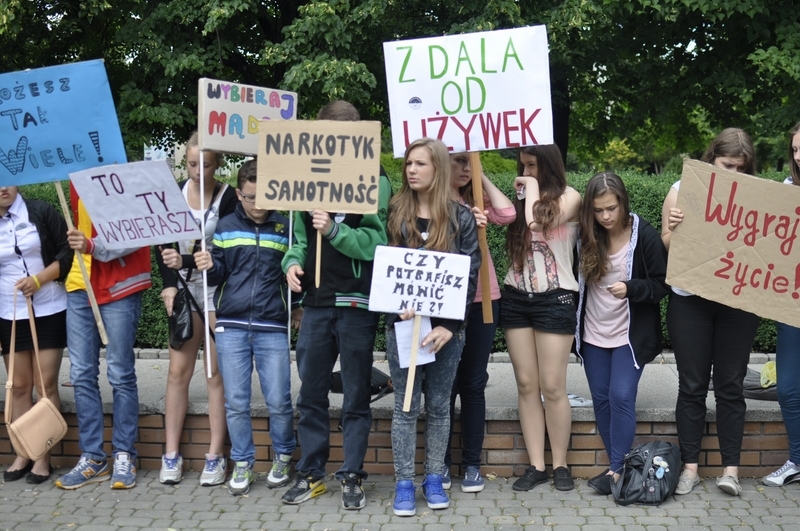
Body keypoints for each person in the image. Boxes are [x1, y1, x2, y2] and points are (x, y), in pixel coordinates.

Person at [281, 100, 392, 510]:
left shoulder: (375, 177)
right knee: (310, 393)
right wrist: (292, 264)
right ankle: (311, 472)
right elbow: (298, 240)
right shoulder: (305, 176)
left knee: (356, 395)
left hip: (357, 303)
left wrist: (334, 231)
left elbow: (377, 242)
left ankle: (352, 476)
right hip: (314, 303)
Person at [662, 127, 760, 496]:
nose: (734, 173)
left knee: (731, 385)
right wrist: (674, 229)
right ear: (712, 158)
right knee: (691, 385)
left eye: (741, 168)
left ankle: (730, 470)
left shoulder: (757, 199)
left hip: (737, 302)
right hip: (691, 302)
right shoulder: (680, 190)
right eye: (727, 165)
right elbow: (667, 245)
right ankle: (689, 468)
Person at [386, 138, 480, 516]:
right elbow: (386, 269)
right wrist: (398, 307)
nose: (411, 170)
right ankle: (404, 483)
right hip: (404, 326)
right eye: (409, 163)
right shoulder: (395, 212)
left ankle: (434, 478)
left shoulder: (461, 219)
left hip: (446, 332)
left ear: (438, 169)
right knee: (406, 406)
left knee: (440, 406)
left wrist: (450, 326)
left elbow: (469, 275)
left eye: (420, 164)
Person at [194, 159, 298, 496]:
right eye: (251, 197)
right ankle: (242, 461)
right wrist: (209, 264)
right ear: (239, 194)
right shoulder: (224, 226)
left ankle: (283, 456)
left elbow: (295, 272)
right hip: (231, 324)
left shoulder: (285, 226)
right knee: (236, 401)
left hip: (272, 323)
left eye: (265, 195)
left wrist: (296, 306)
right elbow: (219, 274)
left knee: (279, 400)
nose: (258, 203)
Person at [575, 173, 668, 495]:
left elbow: (662, 284)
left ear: (623, 203)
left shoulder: (644, 234)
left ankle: (616, 471)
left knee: (621, 396)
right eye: (598, 210)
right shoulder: (585, 235)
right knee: (602, 400)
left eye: (611, 208)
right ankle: (618, 467)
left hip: (630, 335)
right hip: (593, 333)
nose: (605, 216)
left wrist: (631, 288)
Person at [55, 183, 152, 490]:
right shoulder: (73, 180)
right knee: (81, 374)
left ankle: (124, 453)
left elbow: (139, 231)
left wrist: (93, 246)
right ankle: (93, 457)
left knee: (120, 373)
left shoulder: (122, 178)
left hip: (117, 287)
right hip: (78, 285)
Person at [155, 132, 237, 486]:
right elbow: (163, 245)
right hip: (184, 290)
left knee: (215, 373)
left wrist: (186, 260)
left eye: (205, 165)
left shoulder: (229, 197)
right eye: (191, 164)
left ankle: (215, 455)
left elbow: (227, 249)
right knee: (178, 371)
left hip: (217, 289)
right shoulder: (172, 194)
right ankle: (171, 453)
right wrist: (169, 283)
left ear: (217, 165)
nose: (198, 171)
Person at [500, 144, 581, 492]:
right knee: (526, 384)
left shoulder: (570, 197)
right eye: (522, 166)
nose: (525, 172)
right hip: (516, 296)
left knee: (552, 385)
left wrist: (530, 187)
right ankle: (536, 466)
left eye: (532, 165)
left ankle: (560, 464)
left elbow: (538, 222)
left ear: (548, 165)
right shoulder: (519, 200)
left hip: (555, 298)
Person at [443, 152, 515, 492]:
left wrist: (480, 173)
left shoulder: (476, 199)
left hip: (483, 299)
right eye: (458, 161)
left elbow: (508, 213)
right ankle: (440, 464)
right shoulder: (431, 200)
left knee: (473, 384)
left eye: (468, 161)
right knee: (444, 386)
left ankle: (472, 465)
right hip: (444, 302)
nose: (464, 168)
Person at [0, 185, 72, 484]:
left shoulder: (40, 211)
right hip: (9, 310)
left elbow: (66, 253)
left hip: (49, 307)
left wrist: (38, 280)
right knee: (18, 386)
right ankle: (23, 452)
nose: (2, 187)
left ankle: (43, 457)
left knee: (45, 385)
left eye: (7, 180)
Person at [762, 122, 800, 487]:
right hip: (792, 306)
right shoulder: (785, 192)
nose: (799, 156)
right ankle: (797, 461)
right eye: (795, 150)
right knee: (788, 388)